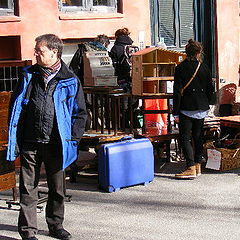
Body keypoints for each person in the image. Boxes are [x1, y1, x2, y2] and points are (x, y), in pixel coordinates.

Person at [6, 34, 87, 240]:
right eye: (36, 49)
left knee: (57, 189)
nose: (35, 53)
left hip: (56, 143)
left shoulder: (70, 79)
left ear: (54, 52)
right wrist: (15, 138)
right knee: (27, 190)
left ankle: (56, 226)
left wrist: (74, 140)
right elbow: (15, 108)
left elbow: (80, 113)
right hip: (30, 142)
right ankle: (28, 231)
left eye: (39, 50)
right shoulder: (28, 76)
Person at [173, 39, 214, 179]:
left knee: (185, 138)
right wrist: (208, 103)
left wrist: (175, 112)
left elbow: (177, 92)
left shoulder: (180, 68)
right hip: (201, 107)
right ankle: (197, 165)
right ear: (199, 52)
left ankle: (190, 166)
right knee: (198, 137)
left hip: (186, 107)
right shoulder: (205, 67)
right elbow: (210, 90)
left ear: (186, 53)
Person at [109, 27, 134, 92]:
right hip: (132, 77)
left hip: (120, 78)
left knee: (120, 98)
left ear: (117, 37)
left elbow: (113, 64)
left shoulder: (115, 48)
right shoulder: (132, 47)